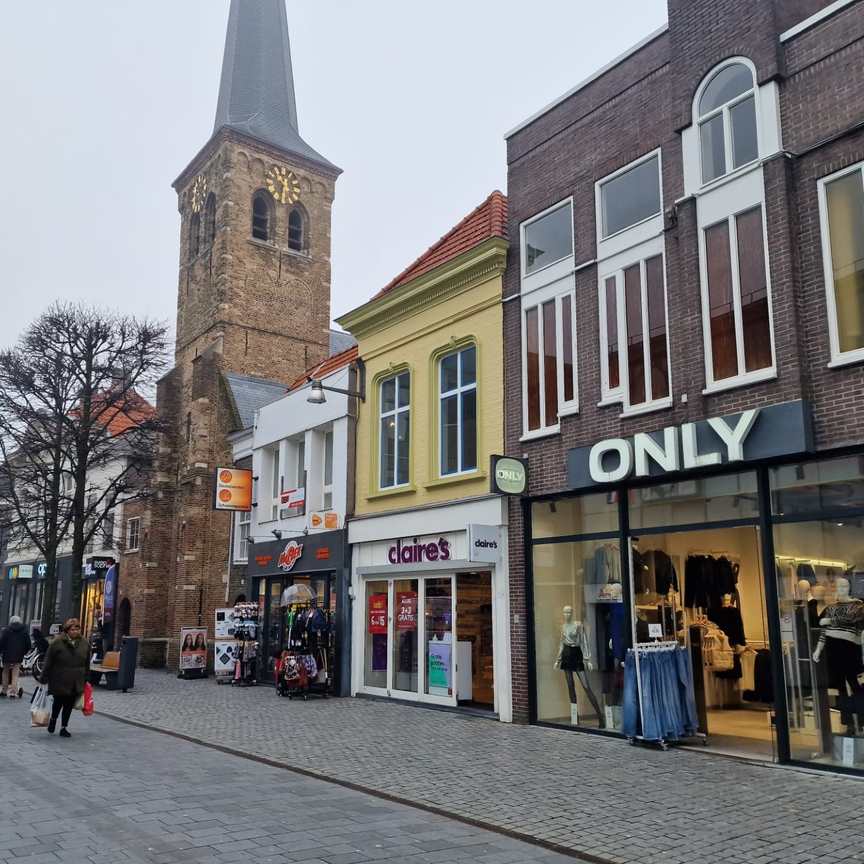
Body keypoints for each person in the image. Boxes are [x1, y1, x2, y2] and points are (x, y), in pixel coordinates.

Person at [40, 618, 90, 737]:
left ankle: (64, 727)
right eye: (73, 629)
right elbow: (48, 660)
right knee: (58, 701)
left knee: (69, 704)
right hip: (60, 678)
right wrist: (44, 677)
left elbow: (87, 661)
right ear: (67, 630)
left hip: (76, 679)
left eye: (77, 629)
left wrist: (86, 677)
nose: (75, 632)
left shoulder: (84, 643)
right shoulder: (57, 642)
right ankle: (53, 719)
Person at [0, 615, 31, 698]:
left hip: (7, 654)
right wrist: (24, 652)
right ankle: (13, 692)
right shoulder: (24, 631)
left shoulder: (7, 631)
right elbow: (28, 643)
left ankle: (4, 690)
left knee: (5, 672)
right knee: (15, 673)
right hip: (18, 655)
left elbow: (2, 642)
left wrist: (1, 651)